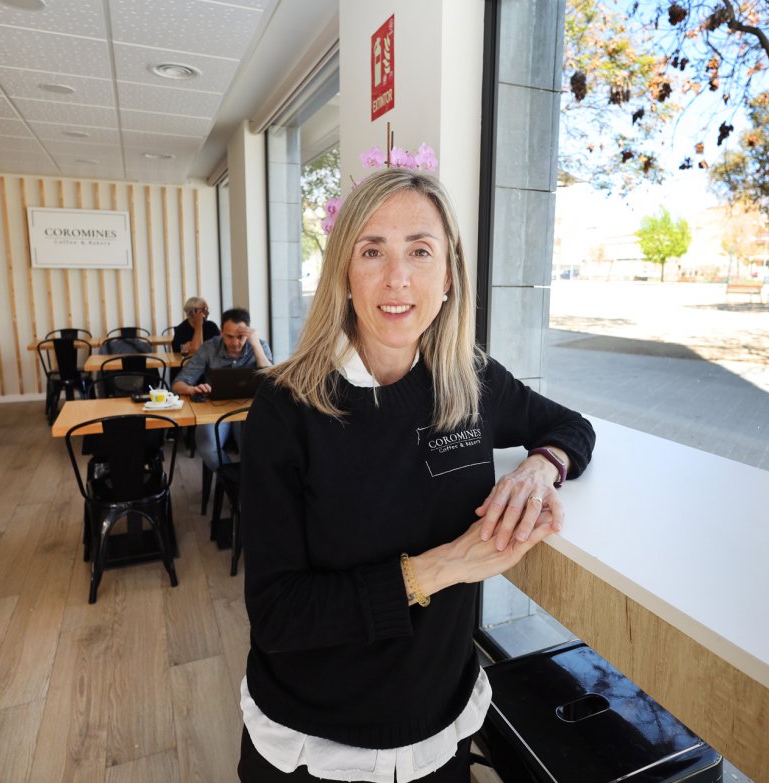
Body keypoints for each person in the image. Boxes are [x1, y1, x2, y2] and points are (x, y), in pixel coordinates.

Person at [237, 169, 595, 782]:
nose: (397, 277)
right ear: (344, 274)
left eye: (420, 251)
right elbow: (278, 615)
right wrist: (448, 566)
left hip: (439, 728)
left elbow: (570, 427)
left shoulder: (469, 380)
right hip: (318, 741)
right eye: (372, 251)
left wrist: (540, 468)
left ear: (449, 274)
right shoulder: (286, 406)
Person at [172, 307, 272, 470]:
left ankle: (247, 483)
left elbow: (271, 382)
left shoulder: (259, 346)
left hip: (249, 411)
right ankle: (233, 483)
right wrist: (193, 389)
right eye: (229, 337)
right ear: (221, 332)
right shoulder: (209, 348)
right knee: (206, 445)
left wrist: (255, 345)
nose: (235, 343)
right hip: (214, 410)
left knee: (255, 447)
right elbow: (178, 384)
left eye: (241, 337)